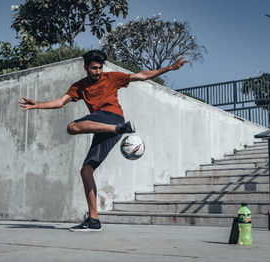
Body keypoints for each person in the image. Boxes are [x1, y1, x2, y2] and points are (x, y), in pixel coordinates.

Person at [19, 50, 187, 232]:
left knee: (72, 127)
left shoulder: (112, 77)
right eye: (94, 68)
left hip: (113, 119)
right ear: (86, 68)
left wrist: (171, 67)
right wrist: (37, 105)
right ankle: (93, 220)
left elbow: (141, 76)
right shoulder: (79, 86)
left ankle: (118, 129)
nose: (97, 72)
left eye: (100, 68)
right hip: (103, 126)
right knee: (86, 171)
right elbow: (60, 102)